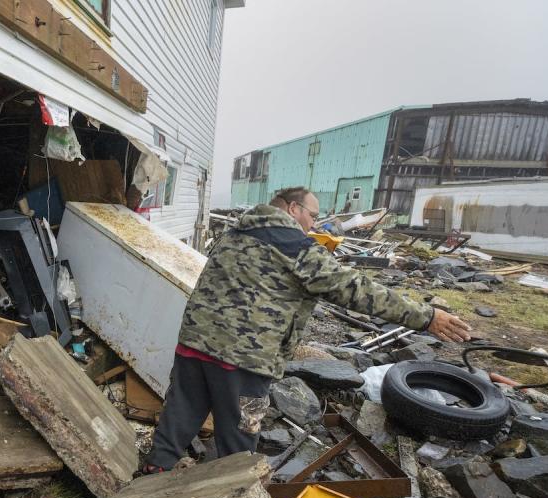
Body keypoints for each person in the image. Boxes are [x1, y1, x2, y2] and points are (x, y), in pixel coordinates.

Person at [143, 186, 471, 473]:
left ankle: (148, 482)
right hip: (246, 363)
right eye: (312, 215)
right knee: (239, 444)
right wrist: (426, 317)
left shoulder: (233, 236)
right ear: (292, 208)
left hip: (192, 348)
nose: (314, 223)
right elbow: (356, 290)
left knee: (177, 422)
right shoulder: (294, 247)